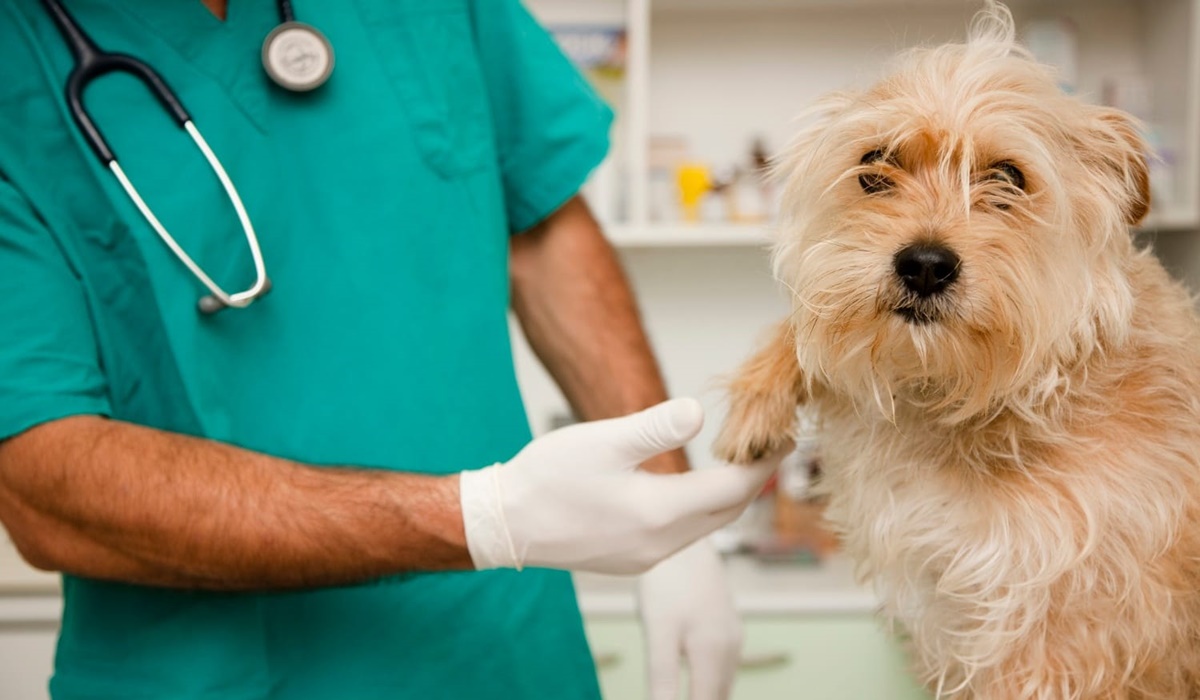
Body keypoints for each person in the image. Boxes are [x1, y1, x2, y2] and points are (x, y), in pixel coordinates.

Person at [0, 1, 781, 699]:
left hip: (503, 655)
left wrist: (674, 517)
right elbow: (42, 480)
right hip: (213, 672)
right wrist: (482, 518)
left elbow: (539, 224)